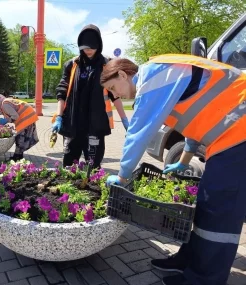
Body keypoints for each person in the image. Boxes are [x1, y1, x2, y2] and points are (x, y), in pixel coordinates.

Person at [100, 55, 246, 285]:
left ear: (122, 74)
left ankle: (204, 279)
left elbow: (139, 132)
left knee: (219, 208)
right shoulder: (164, 77)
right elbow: (191, 118)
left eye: (112, 88)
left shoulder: (152, 77)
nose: (115, 95)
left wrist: (122, 175)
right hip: (232, 133)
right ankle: (189, 261)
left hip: (239, 132)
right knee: (207, 205)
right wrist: (185, 159)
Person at [51, 24, 129, 169]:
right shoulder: (72, 65)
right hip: (72, 123)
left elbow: (115, 95)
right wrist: (59, 116)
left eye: (91, 48)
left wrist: (124, 120)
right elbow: (62, 92)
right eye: (85, 48)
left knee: (93, 167)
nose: (88, 51)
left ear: (99, 45)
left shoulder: (107, 66)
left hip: (95, 125)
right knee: (69, 165)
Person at [0, 94, 39, 161]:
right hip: (28, 116)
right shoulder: (5, 103)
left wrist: (5, 121)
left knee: (19, 137)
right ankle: (19, 155)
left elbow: (15, 116)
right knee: (22, 137)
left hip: (26, 117)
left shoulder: (4, 105)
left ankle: (17, 157)